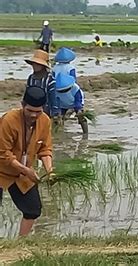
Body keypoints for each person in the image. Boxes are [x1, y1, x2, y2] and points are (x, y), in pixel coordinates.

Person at [0, 86, 53, 236]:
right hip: (2, 168)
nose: (34, 115)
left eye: (38, 111)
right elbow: (4, 154)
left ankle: (21, 243)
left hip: (21, 172)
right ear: (22, 105)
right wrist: (27, 171)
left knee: (33, 210)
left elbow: (45, 149)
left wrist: (50, 170)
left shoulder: (45, 121)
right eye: (30, 110)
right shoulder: (9, 120)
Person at [25, 49, 58, 118]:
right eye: (34, 64)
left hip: (45, 111)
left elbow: (53, 97)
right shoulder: (31, 78)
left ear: (43, 66)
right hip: (31, 109)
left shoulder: (50, 80)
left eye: (38, 64)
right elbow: (27, 95)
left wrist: (55, 113)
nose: (35, 66)